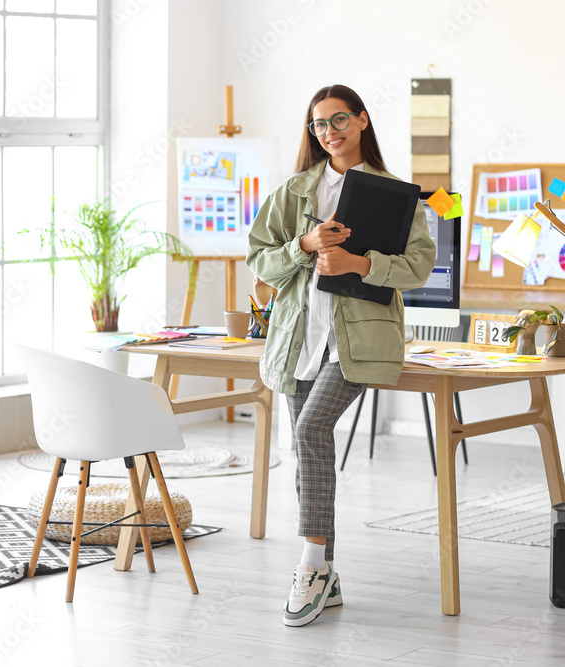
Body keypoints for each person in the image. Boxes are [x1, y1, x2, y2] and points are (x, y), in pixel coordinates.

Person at [246, 84, 436, 627]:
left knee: (308, 434)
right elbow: (260, 261)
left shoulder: (394, 193)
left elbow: (418, 266)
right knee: (311, 457)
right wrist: (304, 246)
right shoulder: (294, 192)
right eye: (319, 125)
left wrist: (356, 263)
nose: (329, 132)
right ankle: (326, 572)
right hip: (299, 342)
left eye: (338, 120)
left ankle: (310, 567)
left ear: (362, 120)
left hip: (357, 343)